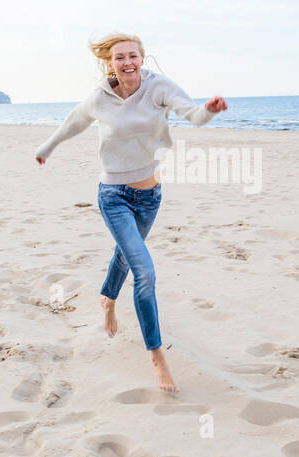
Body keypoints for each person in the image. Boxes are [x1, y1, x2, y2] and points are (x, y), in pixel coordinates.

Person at [34, 33, 227, 393]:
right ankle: (157, 358)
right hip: (113, 195)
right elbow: (71, 124)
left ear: (142, 58)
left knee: (125, 255)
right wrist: (47, 148)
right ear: (110, 63)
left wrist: (209, 111)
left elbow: (192, 113)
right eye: (119, 57)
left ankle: (107, 298)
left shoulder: (159, 88)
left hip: (150, 196)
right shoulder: (99, 99)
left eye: (133, 56)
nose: (127, 63)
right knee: (145, 272)